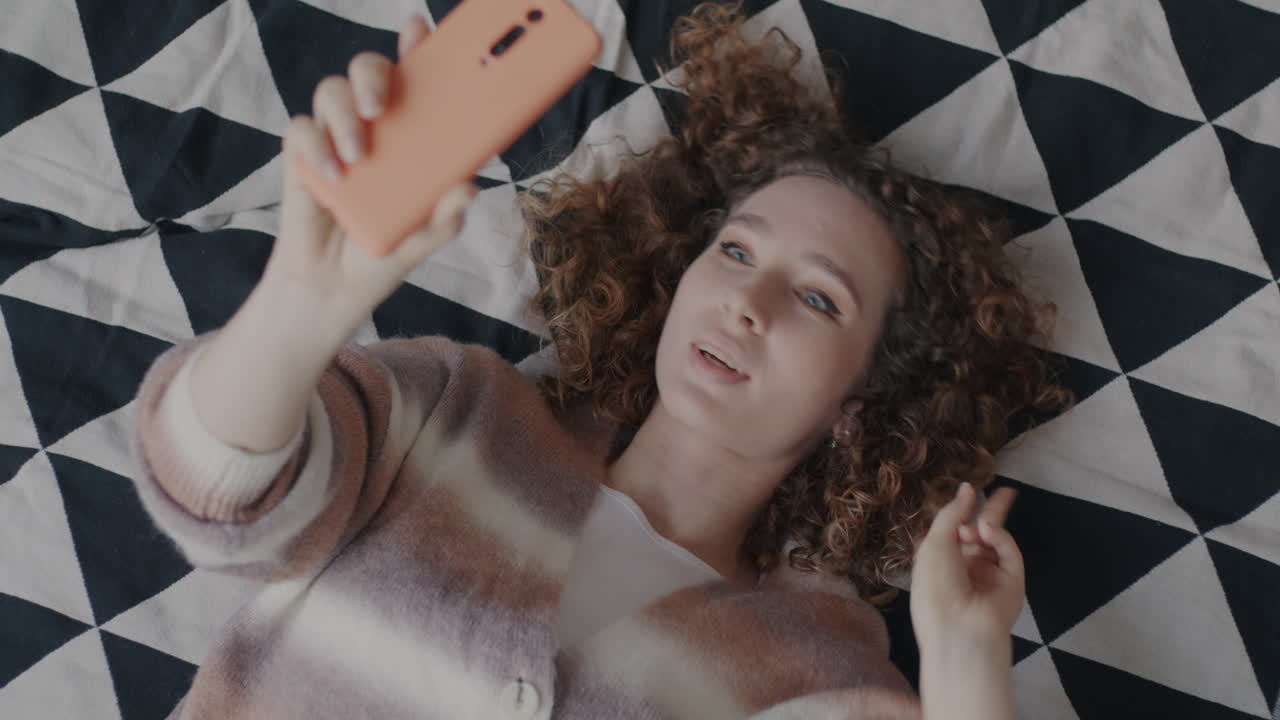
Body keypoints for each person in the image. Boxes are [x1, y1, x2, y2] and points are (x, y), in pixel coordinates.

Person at [129, 2, 1071, 718]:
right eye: (736, 251)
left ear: (860, 401)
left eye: (819, 298)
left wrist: (965, 669)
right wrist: (302, 303)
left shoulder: (822, 669)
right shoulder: (462, 411)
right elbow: (216, 496)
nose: (747, 302)